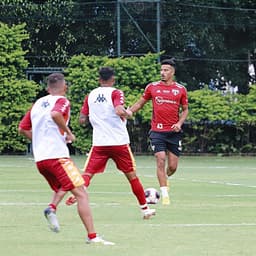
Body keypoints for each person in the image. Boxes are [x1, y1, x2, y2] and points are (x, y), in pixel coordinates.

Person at [18, 73, 114, 245]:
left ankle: (52, 208)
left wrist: (40, 142)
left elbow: (23, 128)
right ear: (65, 87)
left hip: (41, 160)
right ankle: (92, 237)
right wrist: (68, 133)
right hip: (57, 157)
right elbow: (56, 114)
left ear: (48, 88)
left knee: (66, 184)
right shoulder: (62, 101)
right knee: (81, 193)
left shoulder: (38, 104)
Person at [65, 67, 155, 220]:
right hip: (119, 142)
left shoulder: (90, 95)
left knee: (87, 174)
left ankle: (75, 196)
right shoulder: (116, 92)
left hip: (100, 143)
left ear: (99, 80)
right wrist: (128, 114)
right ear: (113, 79)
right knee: (132, 177)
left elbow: (82, 120)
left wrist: (96, 118)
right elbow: (119, 110)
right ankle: (145, 209)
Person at [127, 59, 189, 205]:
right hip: (157, 131)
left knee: (172, 167)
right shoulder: (152, 87)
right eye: (161, 70)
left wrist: (179, 123)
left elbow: (185, 110)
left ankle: (165, 180)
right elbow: (140, 103)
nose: (163, 73)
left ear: (172, 72)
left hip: (173, 133)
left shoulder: (180, 89)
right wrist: (129, 111)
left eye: (166, 70)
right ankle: (165, 194)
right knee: (160, 159)